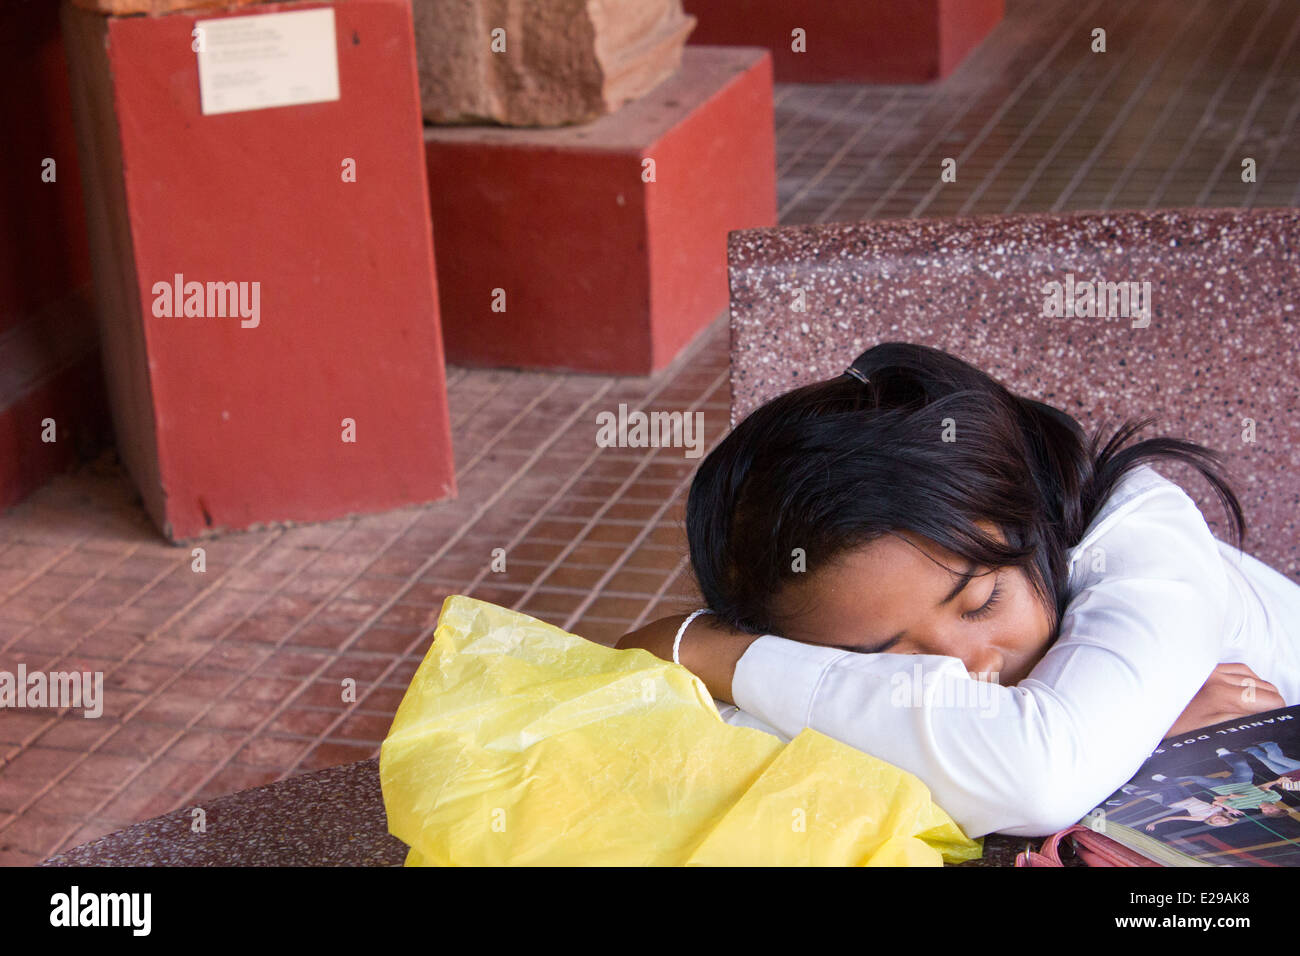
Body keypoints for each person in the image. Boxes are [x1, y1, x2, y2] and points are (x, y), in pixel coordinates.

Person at [616, 342, 1300, 838]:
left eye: (980, 603)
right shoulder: (822, 638)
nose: (966, 668)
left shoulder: (1149, 542)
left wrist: (717, 656)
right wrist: (1138, 752)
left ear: (1031, 516)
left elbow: (1038, 779)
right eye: (887, 661)